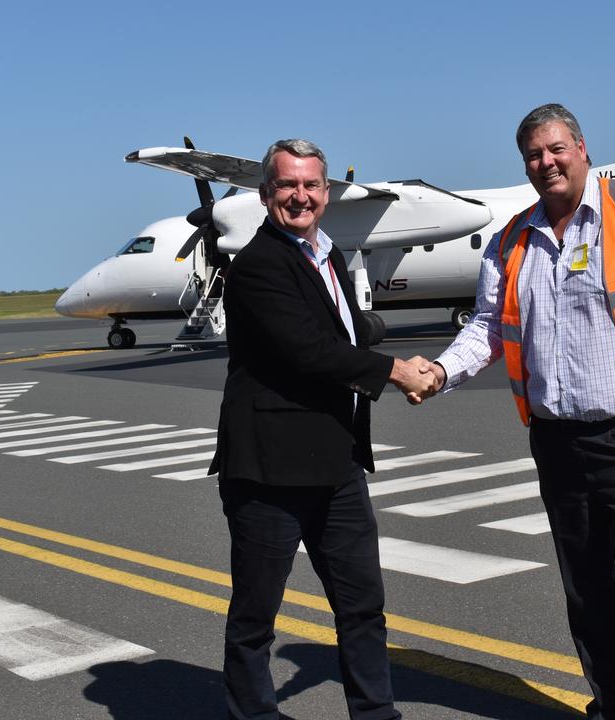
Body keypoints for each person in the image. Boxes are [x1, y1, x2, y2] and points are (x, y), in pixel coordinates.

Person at [418, 104, 615, 719]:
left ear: (582, 149)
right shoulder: (511, 238)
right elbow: (486, 325)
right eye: (534, 155)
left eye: (556, 149)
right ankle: (611, 705)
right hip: (558, 440)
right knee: (585, 590)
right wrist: (441, 370)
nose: (546, 163)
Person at [209, 138, 433, 720]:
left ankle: (376, 713)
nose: (301, 196)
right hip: (269, 473)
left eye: (311, 185)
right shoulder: (258, 266)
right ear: (266, 195)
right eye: (288, 185)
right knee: (257, 617)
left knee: (362, 607)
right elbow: (309, 350)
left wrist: (418, 358)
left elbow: (347, 331)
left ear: (326, 193)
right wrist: (395, 371)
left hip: (336, 465)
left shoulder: (327, 255)